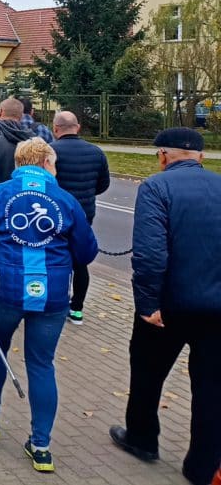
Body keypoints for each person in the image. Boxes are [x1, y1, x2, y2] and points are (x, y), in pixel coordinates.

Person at [0, 138, 98, 474]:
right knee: (41, 364)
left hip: (5, 289)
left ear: (20, 163)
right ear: (46, 163)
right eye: (53, 164)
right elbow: (86, 252)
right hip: (51, 295)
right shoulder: (65, 200)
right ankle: (41, 445)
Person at [109, 128, 221, 485]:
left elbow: (150, 254)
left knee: (146, 374)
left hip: (168, 306)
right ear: (201, 157)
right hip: (217, 310)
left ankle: (142, 439)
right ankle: (203, 466)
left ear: (162, 156)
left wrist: (147, 303)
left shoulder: (156, 188)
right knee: (212, 388)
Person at [49, 110, 109, 325]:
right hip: (84, 214)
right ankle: (77, 309)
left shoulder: (51, 152)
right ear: (78, 127)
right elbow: (103, 184)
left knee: (55, 258)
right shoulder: (96, 152)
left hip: (55, 214)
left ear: (55, 129)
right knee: (80, 262)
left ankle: (55, 302)